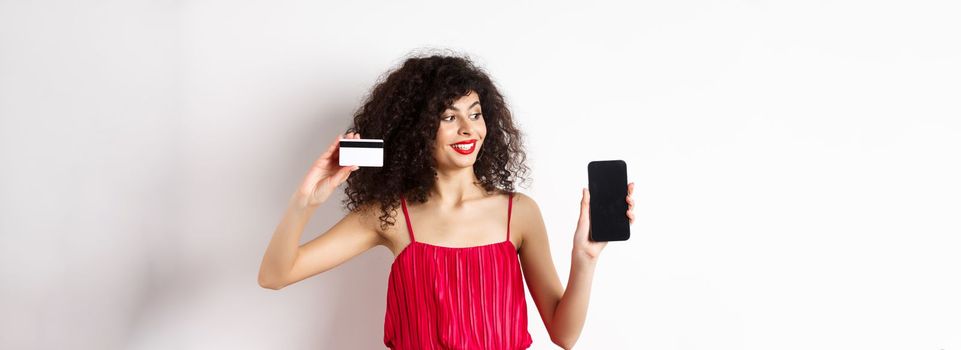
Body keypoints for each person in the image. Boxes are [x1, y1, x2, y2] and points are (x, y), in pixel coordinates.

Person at [258, 52, 635, 350]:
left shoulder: (518, 213)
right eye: (449, 117)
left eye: (475, 114)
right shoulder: (389, 216)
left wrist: (585, 258)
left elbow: (564, 335)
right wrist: (306, 199)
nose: (468, 129)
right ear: (416, 130)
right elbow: (276, 275)